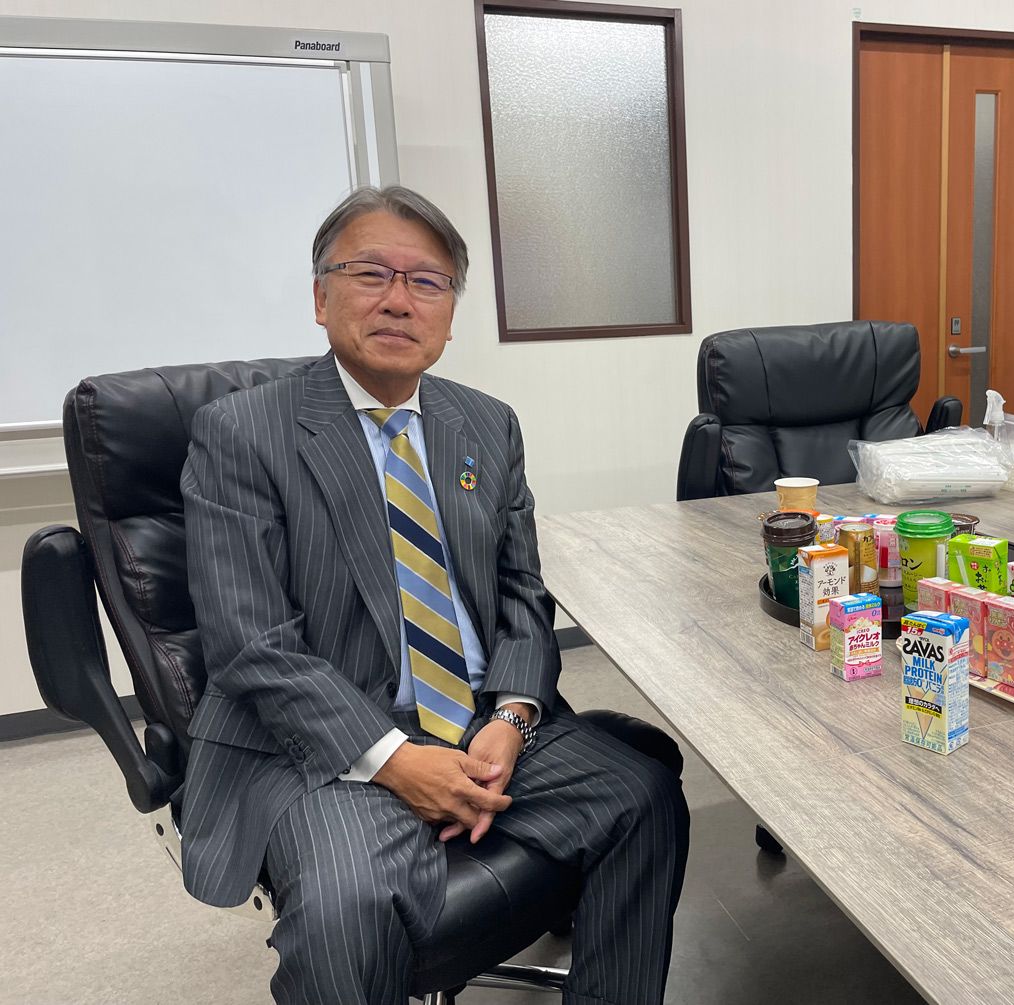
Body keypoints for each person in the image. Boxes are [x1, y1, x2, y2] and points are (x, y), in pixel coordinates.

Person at [179, 185, 690, 1004]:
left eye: (427, 281)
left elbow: (522, 593)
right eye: (370, 273)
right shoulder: (242, 432)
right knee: (346, 906)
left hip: (483, 721)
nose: (398, 299)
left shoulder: (486, 424)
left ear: (450, 314)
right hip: (329, 747)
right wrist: (397, 760)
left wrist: (512, 717)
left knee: (643, 798)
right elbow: (252, 643)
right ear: (320, 297)